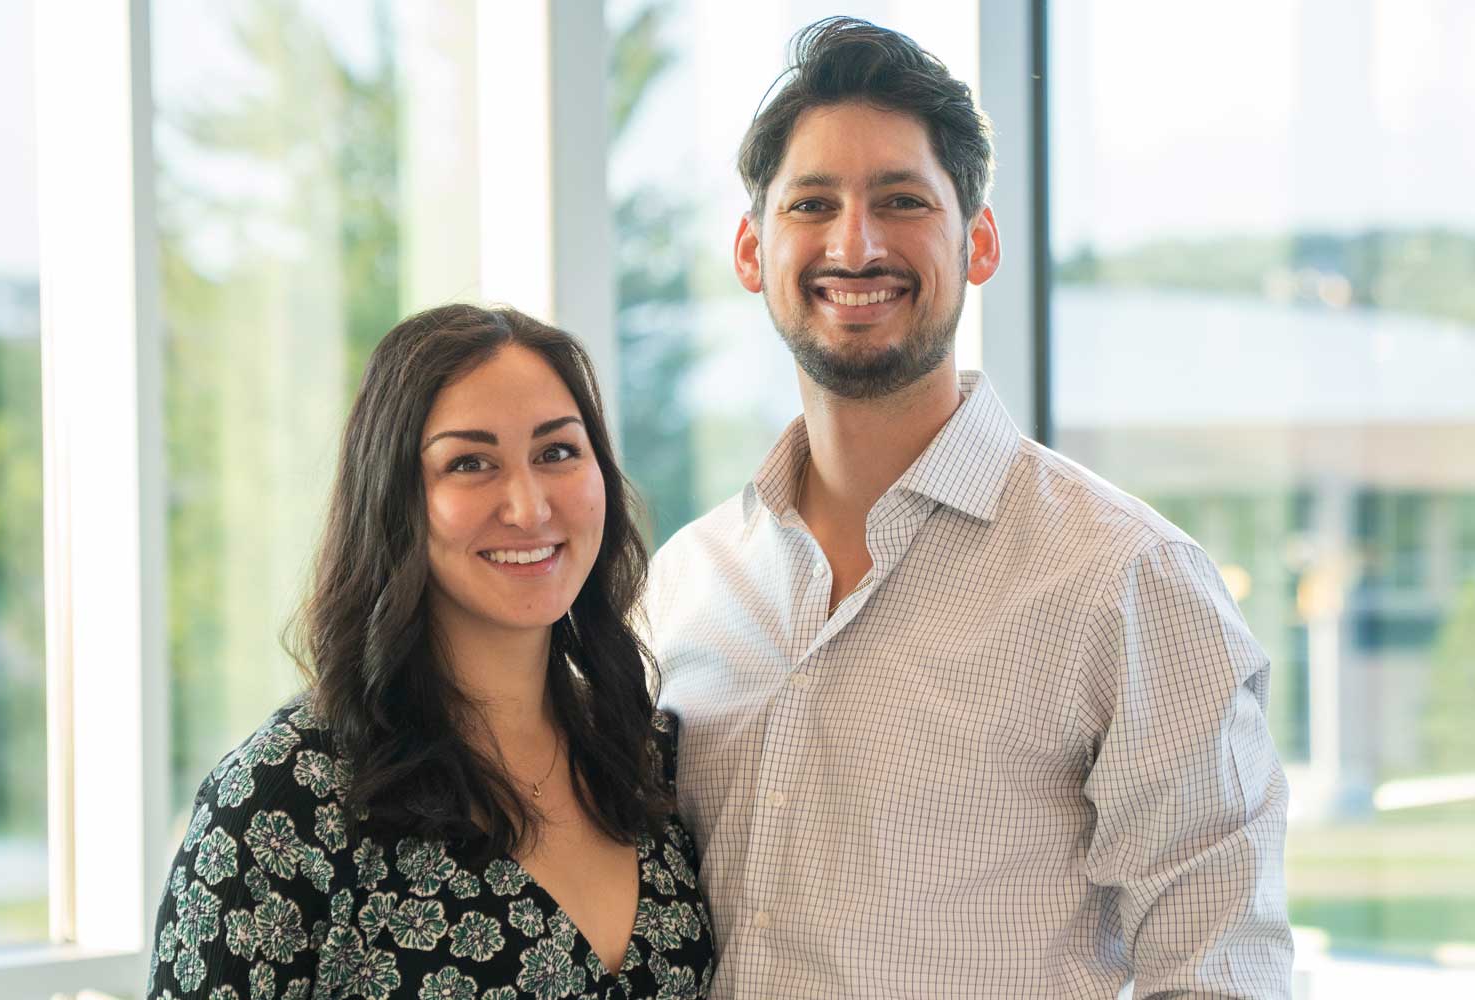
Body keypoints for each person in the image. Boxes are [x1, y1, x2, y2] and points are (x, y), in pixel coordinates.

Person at [643, 17, 1293, 999]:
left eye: (901, 201)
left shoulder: (1127, 582)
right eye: (811, 204)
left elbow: (1221, 974)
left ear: (979, 241)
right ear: (751, 250)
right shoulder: (686, 584)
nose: (853, 243)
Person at [148, 305, 714, 1000]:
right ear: (394, 501)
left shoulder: (643, 756)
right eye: (470, 463)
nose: (529, 507)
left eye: (557, 452)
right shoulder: (284, 797)